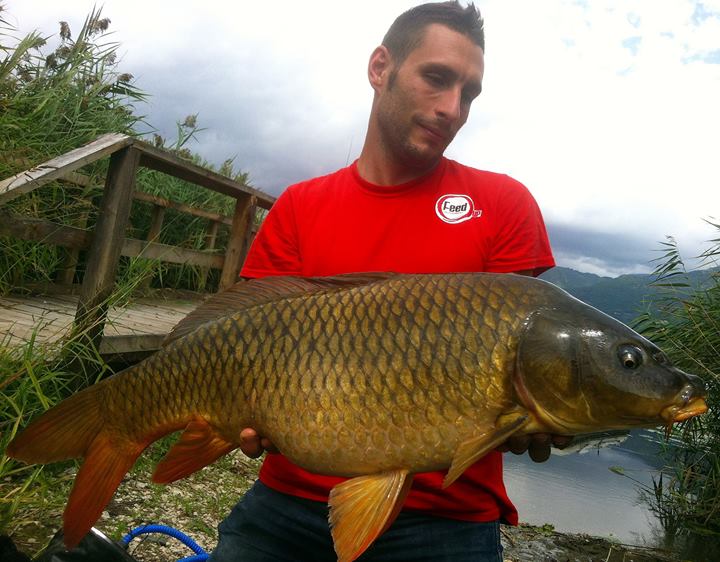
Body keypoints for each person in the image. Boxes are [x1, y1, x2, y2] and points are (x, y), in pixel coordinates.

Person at [210, 2, 569, 561]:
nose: (452, 108)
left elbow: (519, 355)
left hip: (447, 517)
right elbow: (243, 336)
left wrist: (543, 411)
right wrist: (238, 414)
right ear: (381, 68)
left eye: (469, 94)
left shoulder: (504, 204)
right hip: (289, 499)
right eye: (437, 78)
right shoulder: (299, 206)